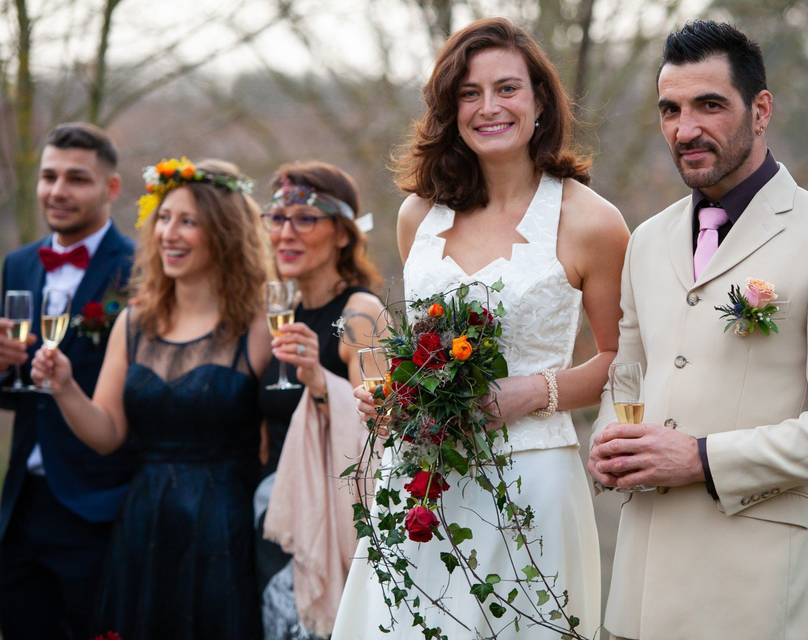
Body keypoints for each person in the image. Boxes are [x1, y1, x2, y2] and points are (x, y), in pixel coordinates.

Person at [588, 20, 808, 640]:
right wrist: (607, 442)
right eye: (670, 110)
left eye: (710, 105)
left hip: (755, 600)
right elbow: (628, 375)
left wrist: (704, 458)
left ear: (760, 111)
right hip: (638, 600)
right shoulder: (646, 242)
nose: (686, 129)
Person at [334, 17, 629, 639]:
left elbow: (623, 360)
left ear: (541, 102)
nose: (488, 107)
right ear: (449, 109)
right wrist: (394, 396)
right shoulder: (419, 215)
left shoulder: (592, 222)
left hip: (534, 482)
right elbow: (419, 351)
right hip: (422, 481)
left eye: (507, 89)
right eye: (469, 93)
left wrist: (533, 392)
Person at [31, 157, 272, 639]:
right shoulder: (134, 322)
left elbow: (273, 440)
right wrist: (64, 387)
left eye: (188, 221)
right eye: (163, 218)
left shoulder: (261, 324)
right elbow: (107, 433)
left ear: (223, 233)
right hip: (144, 523)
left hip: (225, 527)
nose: (169, 233)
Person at [0, 122, 136, 640]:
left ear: (111, 188)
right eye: (48, 176)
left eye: (76, 178)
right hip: (20, 505)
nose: (57, 191)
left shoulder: (141, 271)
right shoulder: (18, 264)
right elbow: (15, 392)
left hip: (98, 503)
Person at [254, 161, 387, 639]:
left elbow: (381, 434)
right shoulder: (275, 312)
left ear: (344, 234)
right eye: (277, 218)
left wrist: (317, 381)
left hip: (331, 524)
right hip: (272, 519)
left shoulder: (361, 314)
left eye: (305, 219)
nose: (286, 233)